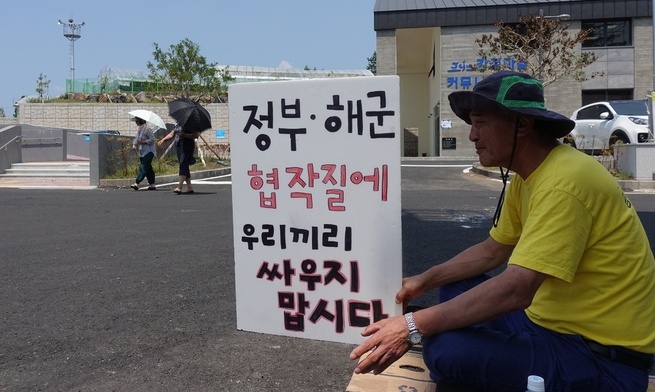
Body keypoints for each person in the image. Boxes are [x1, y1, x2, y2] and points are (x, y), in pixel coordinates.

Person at [349, 71, 655, 391]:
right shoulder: (529, 174)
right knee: (456, 286)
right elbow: (492, 250)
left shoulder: (566, 182)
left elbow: (516, 290)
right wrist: (423, 281)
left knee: (446, 351)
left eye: (481, 122)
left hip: (601, 359)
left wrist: (410, 326)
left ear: (522, 125)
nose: (472, 136)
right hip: (544, 323)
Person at [157, 123, 200, 194]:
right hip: (179, 145)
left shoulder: (191, 124)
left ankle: (179, 187)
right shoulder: (177, 124)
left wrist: (185, 135)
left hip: (187, 145)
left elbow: (196, 135)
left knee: (183, 164)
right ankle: (190, 187)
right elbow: (172, 134)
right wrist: (163, 139)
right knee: (184, 165)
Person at [130, 116, 156, 191]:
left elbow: (152, 139)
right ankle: (152, 184)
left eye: (137, 121)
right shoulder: (140, 129)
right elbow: (136, 138)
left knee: (143, 166)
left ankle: (136, 182)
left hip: (149, 151)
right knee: (148, 168)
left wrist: (144, 142)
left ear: (139, 121)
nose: (136, 122)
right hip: (142, 151)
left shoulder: (147, 129)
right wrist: (134, 144)